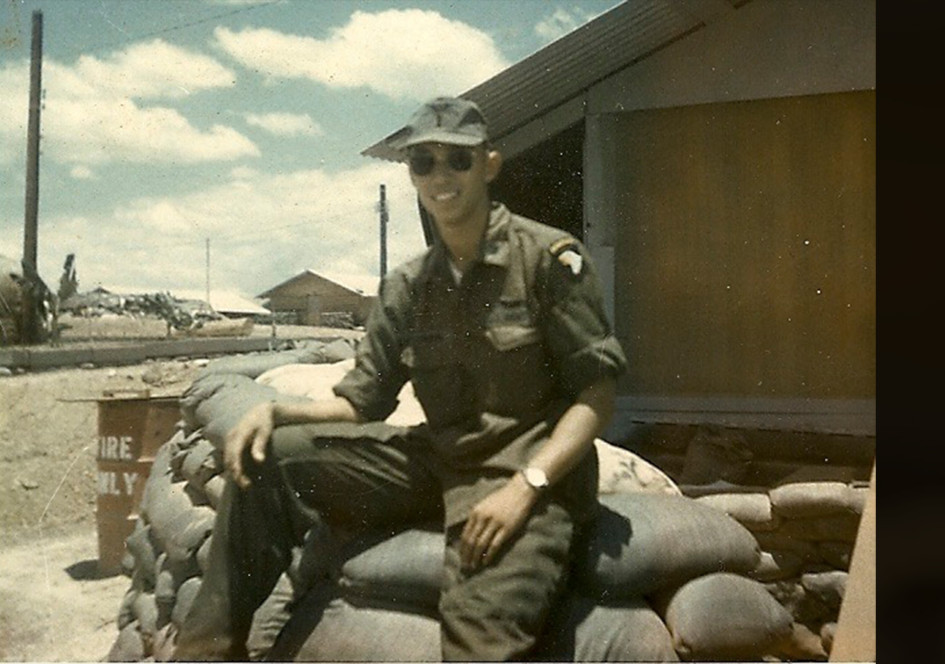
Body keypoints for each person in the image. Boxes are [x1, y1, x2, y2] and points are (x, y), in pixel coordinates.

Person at [173, 96, 626, 661]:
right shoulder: (409, 286)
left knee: (478, 634)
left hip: (528, 474)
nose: (441, 176)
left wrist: (525, 488)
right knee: (271, 459)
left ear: (489, 164)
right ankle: (202, 653)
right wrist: (275, 412)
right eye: (423, 162)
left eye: (457, 160)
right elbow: (360, 404)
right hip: (437, 459)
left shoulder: (547, 260)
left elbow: (596, 395)